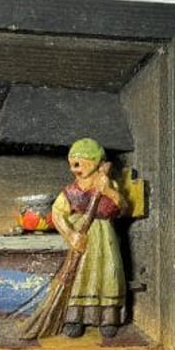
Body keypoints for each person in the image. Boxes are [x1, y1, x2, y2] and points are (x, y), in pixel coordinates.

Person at [53, 138, 128, 338]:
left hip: (105, 239)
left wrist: (108, 191)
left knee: (109, 272)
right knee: (80, 275)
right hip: (83, 239)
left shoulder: (108, 184)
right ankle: (75, 317)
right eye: (71, 165)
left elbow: (123, 209)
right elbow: (57, 213)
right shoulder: (71, 191)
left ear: (95, 162)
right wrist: (71, 235)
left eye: (78, 164)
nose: (73, 169)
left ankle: (108, 316)